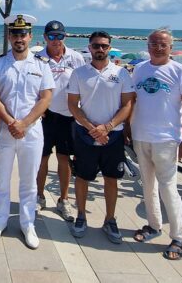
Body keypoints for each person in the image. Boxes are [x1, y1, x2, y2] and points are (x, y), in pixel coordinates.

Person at [126, 27, 182, 261]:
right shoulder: (139, 69)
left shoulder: (181, 71)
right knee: (147, 185)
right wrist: (127, 128)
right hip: (141, 136)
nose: (158, 47)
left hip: (166, 139)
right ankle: (154, 226)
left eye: (162, 44)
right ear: (147, 46)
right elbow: (132, 100)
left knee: (168, 188)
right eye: (154, 43)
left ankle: (179, 237)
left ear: (170, 47)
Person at [0, 14, 54, 250]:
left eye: (23, 34)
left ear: (30, 36)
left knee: (29, 182)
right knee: (1, 180)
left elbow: (45, 98)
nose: (19, 38)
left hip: (32, 132)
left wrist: (24, 123)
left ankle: (28, 223)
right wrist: (12, 122)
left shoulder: (41, 66)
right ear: (9, 36)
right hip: (4, 131)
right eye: (14, 33)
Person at [66, 31, 133, 244]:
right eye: (96, 45)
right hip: (85, 134)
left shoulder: (122, 73)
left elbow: (128, 105)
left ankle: (110, 219)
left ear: (109, 47)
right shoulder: (79, 73)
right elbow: (72, 105)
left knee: (111, 178)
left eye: (104, 46)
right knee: (83, 177)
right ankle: (81, 215)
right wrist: (92, 128)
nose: (100, 49)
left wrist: (108, 127)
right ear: (89, 47)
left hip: (113, 135)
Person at [34, 20, 85, 221]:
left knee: (64, 160)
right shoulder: (37, 57)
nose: (56, 41)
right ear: (45, 37)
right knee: (42, 159)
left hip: (69, 116)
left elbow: (83, 84)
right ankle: (39, 197)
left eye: (60, 36)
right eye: (52, 37)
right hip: (45, 116)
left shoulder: (76, 58)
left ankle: (63, 200)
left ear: (65, 36)